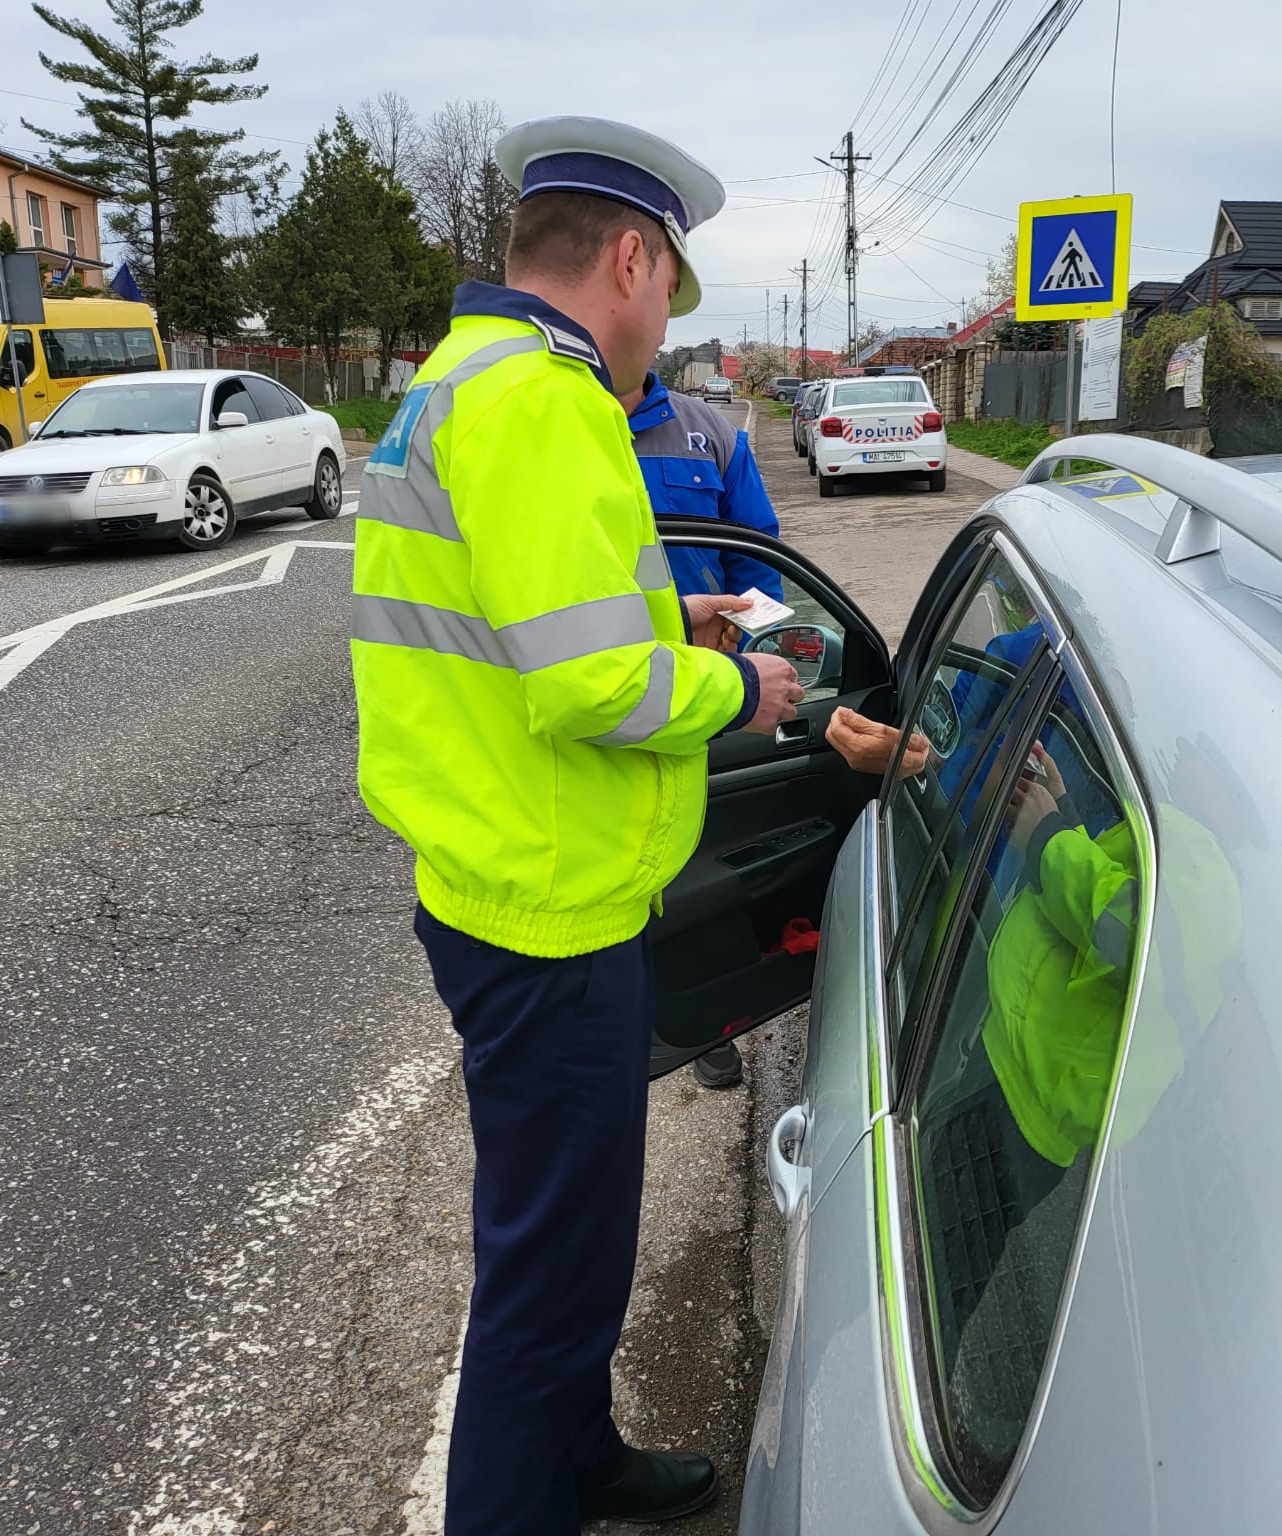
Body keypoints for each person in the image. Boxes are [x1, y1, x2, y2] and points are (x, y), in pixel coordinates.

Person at [349, 115, 804, 1536]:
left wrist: (685, 611)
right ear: (628, 256)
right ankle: (518, 1500)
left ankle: (576, 1454)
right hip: (545, 907)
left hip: (498, 876)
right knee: (548, 1274)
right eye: (670, 286)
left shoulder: (453, 382)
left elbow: (533, 617)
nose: (663, 321)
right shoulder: (548, 403)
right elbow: (589, 681)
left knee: (572, 1248)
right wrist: (743, 685)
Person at [620, 370, 784, 1090]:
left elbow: (756, 557)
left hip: (707, 693)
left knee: (708, 865)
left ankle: (706, 1021)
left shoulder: (710, 435)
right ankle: (626, 1011)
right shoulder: (559, 430)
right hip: (609, 693)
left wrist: (747, 669)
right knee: (620, 862)